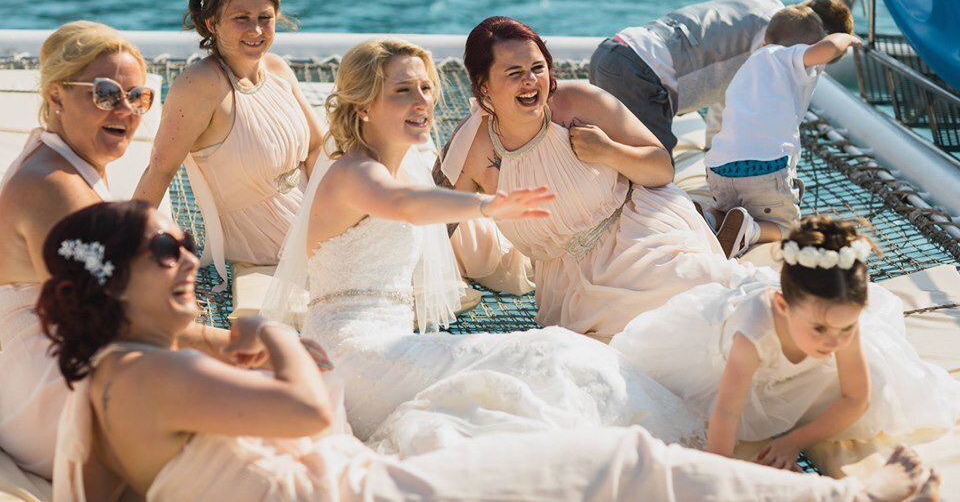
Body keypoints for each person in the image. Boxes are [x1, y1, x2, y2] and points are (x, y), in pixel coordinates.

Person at [41, 204, 940, 501]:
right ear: (116, 282)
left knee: (615, 460)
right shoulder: (149, 376)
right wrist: (263, 327)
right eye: (166, 247)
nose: (189, 254)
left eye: (185, 240)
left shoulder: (128, 375)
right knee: (620, 461)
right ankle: (847, 497)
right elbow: (313, 408)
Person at [265, 38, 703, 451]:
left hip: (392, 347)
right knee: (544, 360)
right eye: (403, 91)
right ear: (363, 107)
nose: (422, 102)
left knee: (553, 358)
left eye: (425, 88)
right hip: (356, 360)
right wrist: (490, 205)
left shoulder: (407, 165)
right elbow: (402, 205)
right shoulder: (354, 173)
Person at [0, 22, 230, 479]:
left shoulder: (62, 162)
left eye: (139, 97)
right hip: (53, 398)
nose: (126, 110)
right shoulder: (55, 189)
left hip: (51, 375)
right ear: (57, 96)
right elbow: (120, 319)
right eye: (106, 94)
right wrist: (239, 345)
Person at [439, 16, 744, 341]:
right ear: (484, 84)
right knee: (626, 339)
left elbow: (661, 169)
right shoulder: (472, 148)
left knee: (695, 293)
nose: (531, 81)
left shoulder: (580, 102)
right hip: (569, 285)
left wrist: (609, 151)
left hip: (640, 232)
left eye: (538, 68)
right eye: (514, 73)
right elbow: (440, 221)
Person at [611, 216, 960, 471]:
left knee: (887, 387)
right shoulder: (752, 333)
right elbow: (728, 410)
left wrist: (793, 442)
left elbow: (857, 397)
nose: (834, 342)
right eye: (821, 329)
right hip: (729, 370)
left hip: (799, 366)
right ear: (782, 306)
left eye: (846, 328)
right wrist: (718, 472)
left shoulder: (839, 327)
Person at [134, 0, 324, 285]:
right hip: (263, 249)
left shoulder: (277, 69)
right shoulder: (200, 86)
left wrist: (333, 216)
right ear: (212, 23)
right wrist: (124, 248)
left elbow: (316, 149)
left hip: (315, 226)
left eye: (265, 18)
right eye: (241, 18)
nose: (256, 30)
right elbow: (160, 170)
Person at [587, 0, 854, 154]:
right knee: (653, 174)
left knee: (617, 160)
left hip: (612, 53)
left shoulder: (757, 1)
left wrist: (711, 148)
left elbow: (729, 92)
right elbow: (752, 99)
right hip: (642, 74)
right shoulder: (776, 33)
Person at [703, 6, 863, 256]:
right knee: (788, 227)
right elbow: (828, 49)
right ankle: (750, 231)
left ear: (766, 39)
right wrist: (846, 39)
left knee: (729, 208)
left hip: (718, 169)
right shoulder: (789, 57)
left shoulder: (751, 62)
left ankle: (711, 219)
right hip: (765, 169)